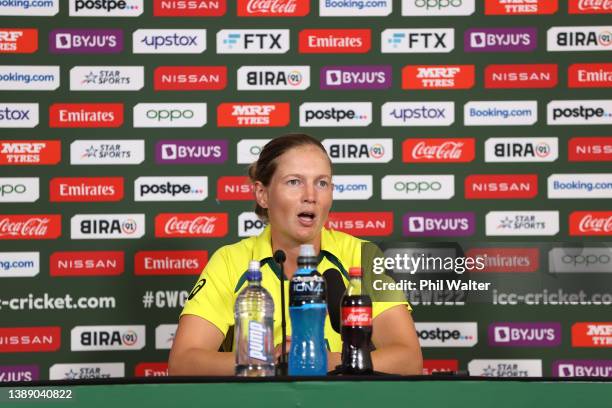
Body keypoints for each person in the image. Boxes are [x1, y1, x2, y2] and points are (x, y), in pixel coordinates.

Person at [168, 133, 422, 376]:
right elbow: (183, 362)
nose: (310, 196)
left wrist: (315, 360)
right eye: (294, 182)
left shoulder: (363, 256)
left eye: (321, 183)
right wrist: (269, 360)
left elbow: (409, 360)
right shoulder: (229, 262)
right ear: (263, 194)